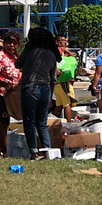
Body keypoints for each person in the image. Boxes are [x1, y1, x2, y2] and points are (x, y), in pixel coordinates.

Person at [16, 27, 60, 157]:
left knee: (29, 121)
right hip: (46, 89)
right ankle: (47, 150)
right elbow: (53, 78)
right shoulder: (51, 54)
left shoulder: (29, 51)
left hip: (30, 88)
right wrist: (50, 95)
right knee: (42, 122)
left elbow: (17, 64)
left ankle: (34, 152)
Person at [0, 32, 23, 157]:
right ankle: (0, 152)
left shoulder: (16, 58)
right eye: (9, 43)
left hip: (9, 95)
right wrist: (3, 83)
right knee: (1, 123)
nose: (11, 46)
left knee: (4, 123)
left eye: (14, 43)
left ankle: (1, 151)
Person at [53, 35, 81, 110]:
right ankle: (68, 121)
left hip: (58, 82)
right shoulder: (58, 50)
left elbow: (74, 58)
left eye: (65, 41)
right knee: (67, 103)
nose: (65, 43)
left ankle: (56, 119)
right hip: (63, 81)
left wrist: (66, 50)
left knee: (59, 104)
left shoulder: (64, 52)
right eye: (62, 40)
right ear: (57, 42)